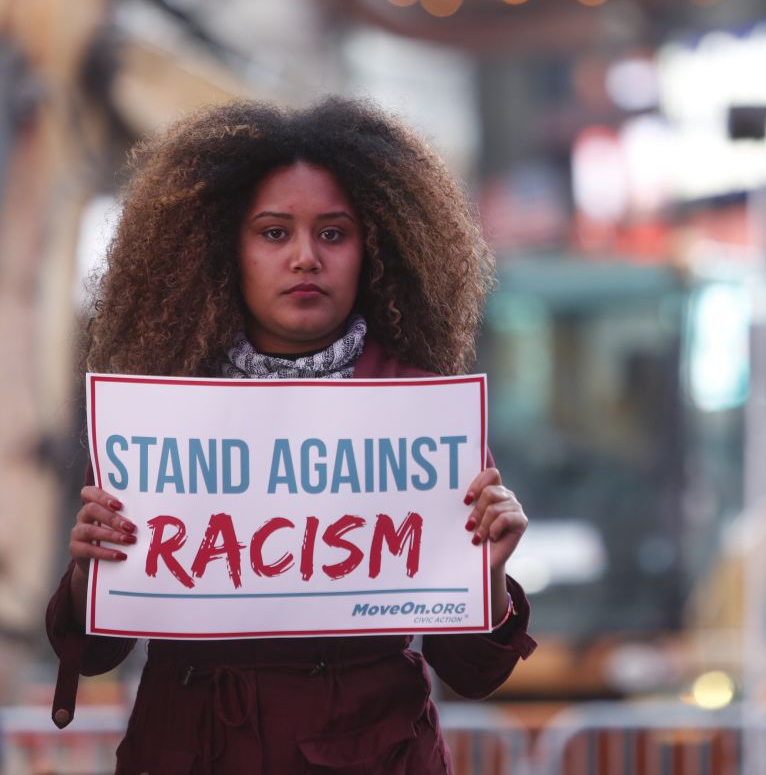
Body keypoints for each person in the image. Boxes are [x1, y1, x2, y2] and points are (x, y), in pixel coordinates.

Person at [45, 97, 535, 774]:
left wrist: (494, 577)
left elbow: (474, 673)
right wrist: (87, 574)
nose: (306, 257)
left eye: (333, 233)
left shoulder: (423, 414)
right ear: (225, 247)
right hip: (187, 750)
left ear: (375, 248)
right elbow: (95, 653)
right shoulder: (159, 416)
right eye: (274, 233)